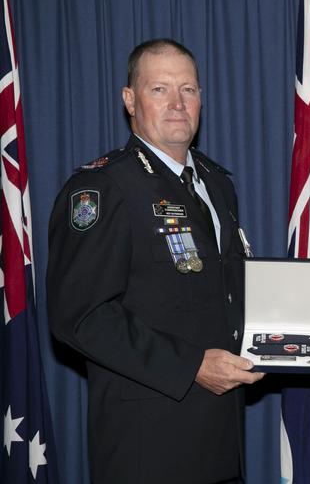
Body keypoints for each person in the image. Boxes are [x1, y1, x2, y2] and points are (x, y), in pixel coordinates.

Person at [47, 38, 264, 484]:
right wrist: (192, 366)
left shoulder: (216, 184)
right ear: (130, 99)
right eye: (159, 89)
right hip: (149, 446)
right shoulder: (103, 188)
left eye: (189, 89)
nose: (177, 103)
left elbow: (225, 293)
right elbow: (81, 316)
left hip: (222, 439)